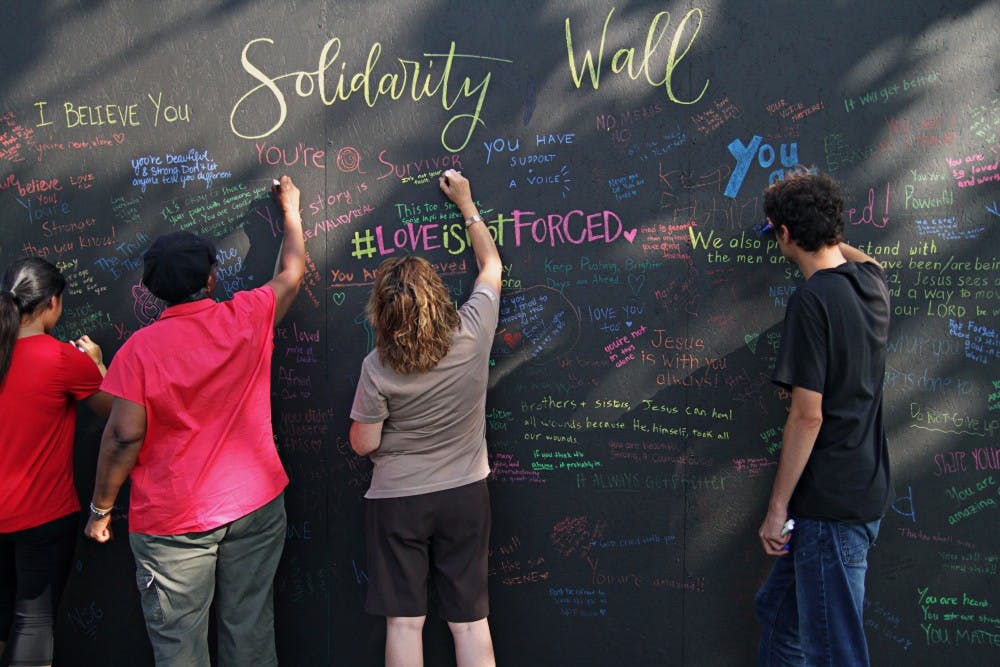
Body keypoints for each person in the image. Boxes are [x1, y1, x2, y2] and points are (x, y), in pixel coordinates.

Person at [83, 175, 305, 667]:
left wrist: (101, 510)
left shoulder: (139, 352)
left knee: (180, 649)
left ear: (154, 290)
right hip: (254, 505)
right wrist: (291, 211)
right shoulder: (246, 316)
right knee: (249, 632)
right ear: (210, 278)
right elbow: (291, 273)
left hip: (173, 522)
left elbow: (122, 434)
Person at [349, 169, 502, 667]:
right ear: (436, 295)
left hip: (399, 501)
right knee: (470, 621)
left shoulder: (377, 366)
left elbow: (364, 444)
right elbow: (491, 265)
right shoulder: (473, 333)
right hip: (465, 493)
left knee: (405, 622)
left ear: (383, 312)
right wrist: (467, 205)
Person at [754, 169, 891, 666]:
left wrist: (776, 509)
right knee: (777, 612)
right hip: (861, 489)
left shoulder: (812, 301)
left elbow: (807, 417)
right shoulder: (871, 283)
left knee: (837, 651)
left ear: (785, 235)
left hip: (828, 506)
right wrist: (824, 233)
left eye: (777, 236)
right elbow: (864, 257)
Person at [0, 257, 111, 667]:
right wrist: (97, 363)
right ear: (52, 303)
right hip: (42, 517)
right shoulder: (61, 359)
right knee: (33, 622)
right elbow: (116, 414)